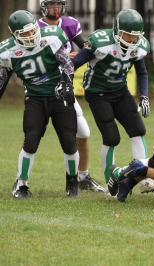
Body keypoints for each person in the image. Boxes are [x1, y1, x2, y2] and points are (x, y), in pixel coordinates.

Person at [71, 8, 154, 195]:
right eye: (127, 35)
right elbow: (74, 64)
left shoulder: (139, 46)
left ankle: (143, 177)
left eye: (134, 36)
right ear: (117, 30)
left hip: (120, 91)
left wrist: (144, 96)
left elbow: (142, 72)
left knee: (138, 130)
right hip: (97, 93)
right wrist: (64, 82)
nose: (131, 40)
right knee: (111, 138)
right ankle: (112, 185)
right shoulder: (101, 43)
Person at [0, 10, 79, 198]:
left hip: (58, 94)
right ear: (14, 35)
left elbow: (67, 64)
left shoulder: (51, 37)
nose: (31, 35)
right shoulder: (7, 52)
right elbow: (2, 81)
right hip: (34, 98)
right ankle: (21, 184)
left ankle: (72, 181)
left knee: (69, 141)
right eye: (24, 33)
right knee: (31, 141)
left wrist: (66, 82)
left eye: (32, 30)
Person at [38, 0, 104, 192]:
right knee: (33, 137)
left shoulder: (69, 24)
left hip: (64, 87)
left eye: (58, 4)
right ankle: (21, 180)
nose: (55, 9)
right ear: (44, 6)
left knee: (82, 132)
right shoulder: (35, 28)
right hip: (43, 89)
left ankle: (82, 177)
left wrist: (80, 55)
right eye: (51, 4)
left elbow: (86, 48)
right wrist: (66, 57)